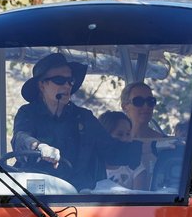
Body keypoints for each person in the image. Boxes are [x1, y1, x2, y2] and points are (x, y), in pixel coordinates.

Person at [12, 53, 143, 190]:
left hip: (78, 197)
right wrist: (39, 147)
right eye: (59, 80)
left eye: (70, 81)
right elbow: (20, 138)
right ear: (42, 85)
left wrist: (149, 147)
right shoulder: (28, 113)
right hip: (38, 197)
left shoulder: (84, 118)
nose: (67, 85)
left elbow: (112, 151)